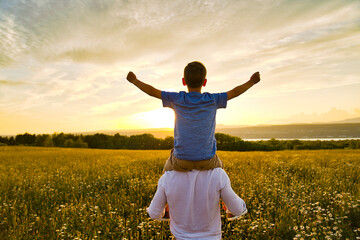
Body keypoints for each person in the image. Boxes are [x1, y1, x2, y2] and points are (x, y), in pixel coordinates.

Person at [126, 61, 260, 172]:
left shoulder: (177, 98)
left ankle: (166, 200)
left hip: (181, 161)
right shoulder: (213, 99)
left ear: (184, 81)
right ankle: (222, 200)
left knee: (166, 172)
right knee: (221, 173)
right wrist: (251, 82)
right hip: (207, 161)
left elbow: (152, 91)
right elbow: (235, 92)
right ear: (205, 82)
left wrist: (135, 81)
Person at [147, 168, 247, 239]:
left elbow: (154, 213)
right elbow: (237, 209)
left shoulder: (168, 176)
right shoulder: (218, 174)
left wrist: (167, 209)